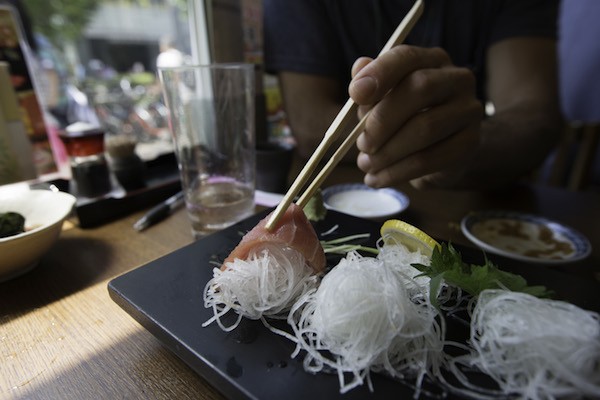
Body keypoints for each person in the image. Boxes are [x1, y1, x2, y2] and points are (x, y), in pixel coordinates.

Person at [263, 0, 562, 190]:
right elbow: (310, 127)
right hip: (339, 200)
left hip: (475, 204)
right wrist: (405, 139)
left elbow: (536, 118)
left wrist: (460, 143)